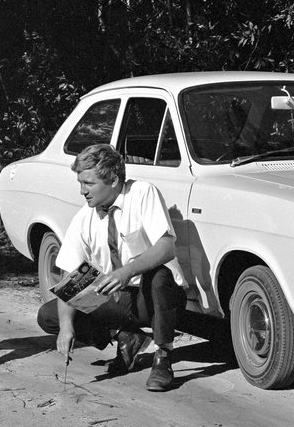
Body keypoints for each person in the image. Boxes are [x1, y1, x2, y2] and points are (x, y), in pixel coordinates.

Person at [36, 143, 188, 391]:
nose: (82, 191)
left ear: (113, 179)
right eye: (80, 184)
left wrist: (126, 271)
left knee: (159, 276)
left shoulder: (142, 193)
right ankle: (124, 336)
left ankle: (163, 358)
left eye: (88, 183)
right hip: (115, 300)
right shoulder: (85, 216)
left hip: (152, 298)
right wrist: (65, 329)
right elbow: (70, 280)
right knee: (50, 315)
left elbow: (166, 247)